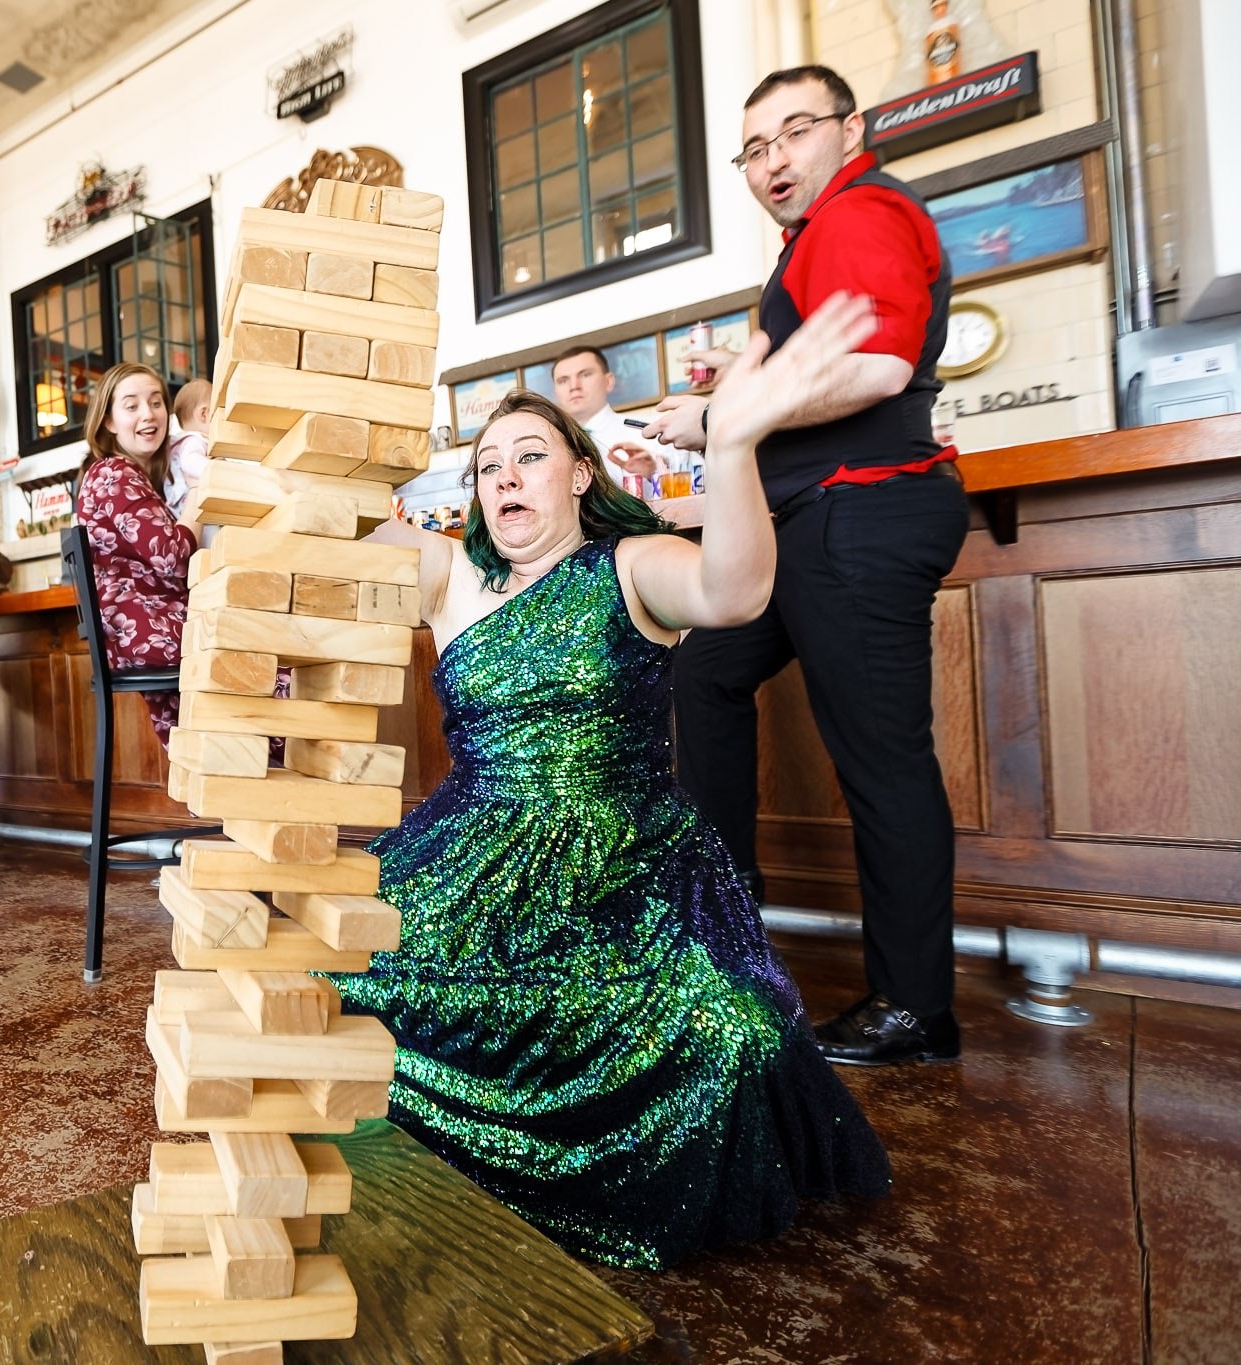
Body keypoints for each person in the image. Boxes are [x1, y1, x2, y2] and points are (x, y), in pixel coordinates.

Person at [325, 293, 893, 1270]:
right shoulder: (446, 577)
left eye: (529, 456)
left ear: (579, 473)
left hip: (628, 860)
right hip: (471, 850)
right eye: (486, 466)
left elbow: (734, 591)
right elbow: (318, 527)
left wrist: (734, 442)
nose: (505, 477)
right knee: (327, 970)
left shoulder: (631, 563)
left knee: (734, 1036)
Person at [644, 65, 968, 1068]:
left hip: (858, 510)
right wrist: (719, 417)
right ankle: (726, 935)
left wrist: (719, 417)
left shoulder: (857, 212)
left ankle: (915, 1009)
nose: (771, 159)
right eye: (752, 147)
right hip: (806, 519)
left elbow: (870, 368)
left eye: (791, 133)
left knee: (879, 759)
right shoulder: (810, 241)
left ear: (847, 130)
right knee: (703, 676)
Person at [73, 362, 200, 747]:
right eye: (131, 406)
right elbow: (173, 557)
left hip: (146, 628)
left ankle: (235, 790)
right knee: (270, 657)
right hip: (148, 630)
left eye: (157, 402)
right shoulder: (113, 473)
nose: (148, 414)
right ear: (108, 421)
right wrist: (201, 492)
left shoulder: (133, 479)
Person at [548, 346, 671, 481]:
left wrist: (652, 474)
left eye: (585, 375)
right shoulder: (549, 446)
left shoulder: (650, 433)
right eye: (563, 381)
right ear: (555, 392)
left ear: (609, 381)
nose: (574, 386)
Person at [162, 377, 214, 522]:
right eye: (219, 411)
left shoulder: (181, 442)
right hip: (190, 508)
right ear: (204, 414)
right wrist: (218, 469)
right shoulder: (193, 441)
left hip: (183, 509)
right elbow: (189, 462)